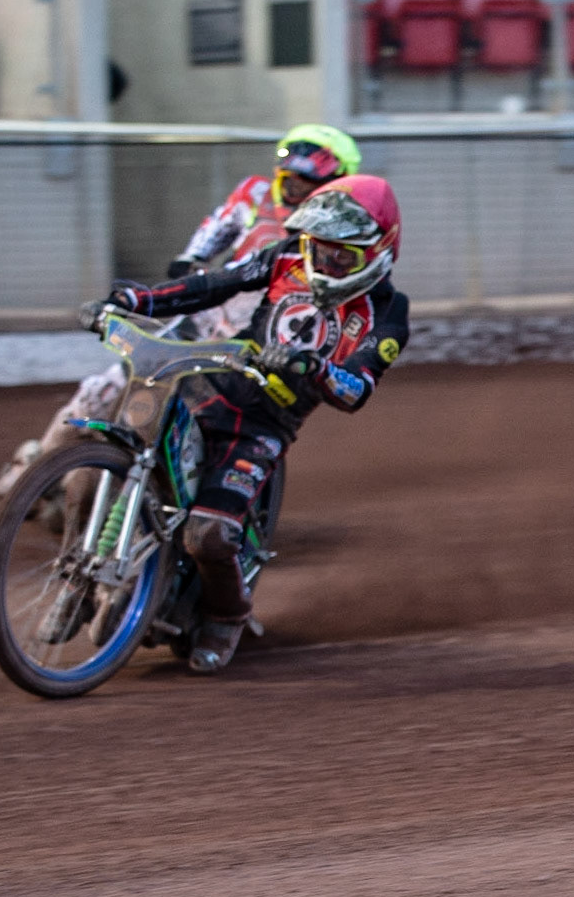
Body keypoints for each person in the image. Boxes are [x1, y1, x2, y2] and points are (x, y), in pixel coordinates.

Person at [80, 176, 411, 675]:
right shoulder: (283, 258)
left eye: (342, 256)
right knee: (123, 438)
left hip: (262, 425)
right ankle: (94, 564)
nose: (324, 263)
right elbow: (211, 286)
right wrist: (137, 301)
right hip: (208, 386)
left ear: (380, 250)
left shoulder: (387, 311)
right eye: (317, 248)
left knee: (208, 533)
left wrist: (314, 367)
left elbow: (357, 389)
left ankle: (228, 614)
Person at [0, 126, 363, 497]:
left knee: (189, 421)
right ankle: (35, 467)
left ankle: (153, 503)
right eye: (291, 177)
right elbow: (219, 225)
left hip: (250, 346)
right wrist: (193, 258)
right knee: (104, 388)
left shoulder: (340, 239)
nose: (295, 187)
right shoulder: (256, 193)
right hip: (203, 321)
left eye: (307, 181)